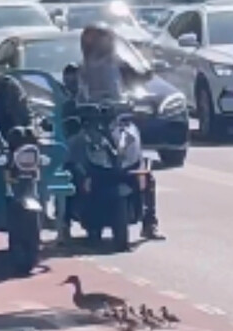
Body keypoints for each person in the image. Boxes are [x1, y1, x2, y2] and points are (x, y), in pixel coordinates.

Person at [64, 25, 162, 239]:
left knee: (142, 162)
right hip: (90, 123)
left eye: (103, 41)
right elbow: (70, 94)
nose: (99, 46)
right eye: (94, 42)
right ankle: (64, 224)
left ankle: (149, 221)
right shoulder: (78, 69)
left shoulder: (120, 64)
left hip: (118, 121)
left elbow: (140, 79)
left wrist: (144, 76)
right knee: (70, 160)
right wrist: (74, 106)